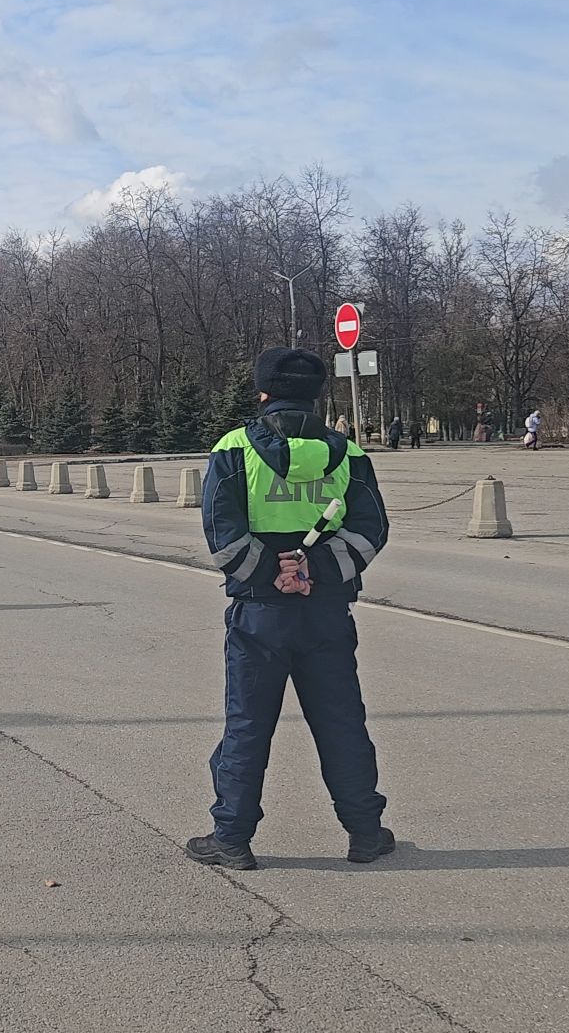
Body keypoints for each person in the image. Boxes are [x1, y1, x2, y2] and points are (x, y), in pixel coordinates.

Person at [189, 347, 394, 870]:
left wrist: (272, 574)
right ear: (316, 395)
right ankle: (365, 833)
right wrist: (313, 570)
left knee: (248, 725)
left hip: (260, 613)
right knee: (342, 721)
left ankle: (232, 838)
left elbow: (221, 533)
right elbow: (371, 530)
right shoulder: (349, 454)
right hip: (327, 611)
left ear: (263, 392)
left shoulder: (234, 448)